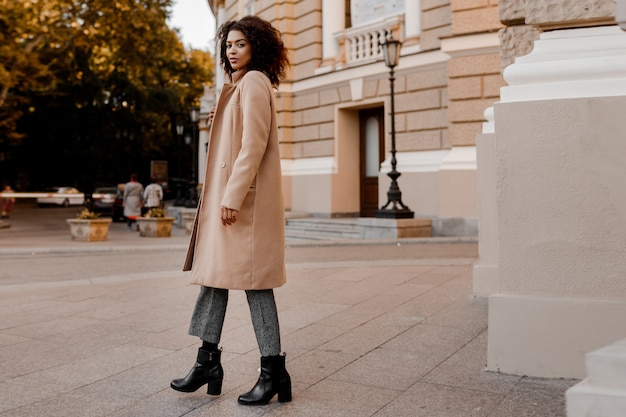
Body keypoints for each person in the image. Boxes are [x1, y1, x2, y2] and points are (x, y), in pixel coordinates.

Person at [170, 16, 291, 406]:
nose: (232, 50)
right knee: (214, 277)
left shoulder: (254, 82)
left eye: (240, 43)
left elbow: (253, 146)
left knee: (256, 286)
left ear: (256, 46)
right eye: (228, 44)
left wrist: (232, 197)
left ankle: (273, 372)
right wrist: (219, 120)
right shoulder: (239, 86)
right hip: (232, 206)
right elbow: (238, 136)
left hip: (244, 208)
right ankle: (207, 362)